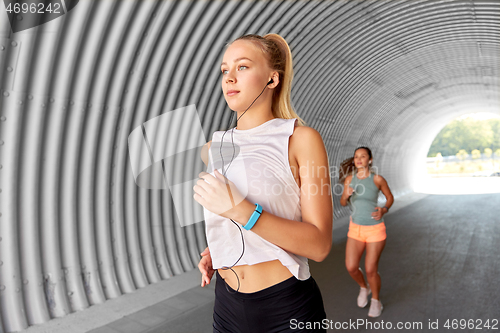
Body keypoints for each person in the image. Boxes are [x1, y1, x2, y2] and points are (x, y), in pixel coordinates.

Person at [193, 34, 333, 332]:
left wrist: (241, 210)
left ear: (272, 79)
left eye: (242, 67)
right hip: (226, 305)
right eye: (224, 70)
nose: (229, 78)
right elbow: (240, 224)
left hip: (285, 308)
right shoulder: (214, 147)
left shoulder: (299, 139)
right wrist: (218, 249)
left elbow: (319, 245)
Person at [340, 147, 394, 317]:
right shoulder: (350, 179)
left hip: (375, 229)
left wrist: (383, 209)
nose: (359, 159)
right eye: (356, 157)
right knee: (351, 267)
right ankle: (365, 287)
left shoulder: (377, 179)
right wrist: (346, 195)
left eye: (363, 156)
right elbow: (342, 203)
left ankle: (376, 301)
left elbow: (390, 197)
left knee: (371, 269)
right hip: (355, 229)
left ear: (370, 160)